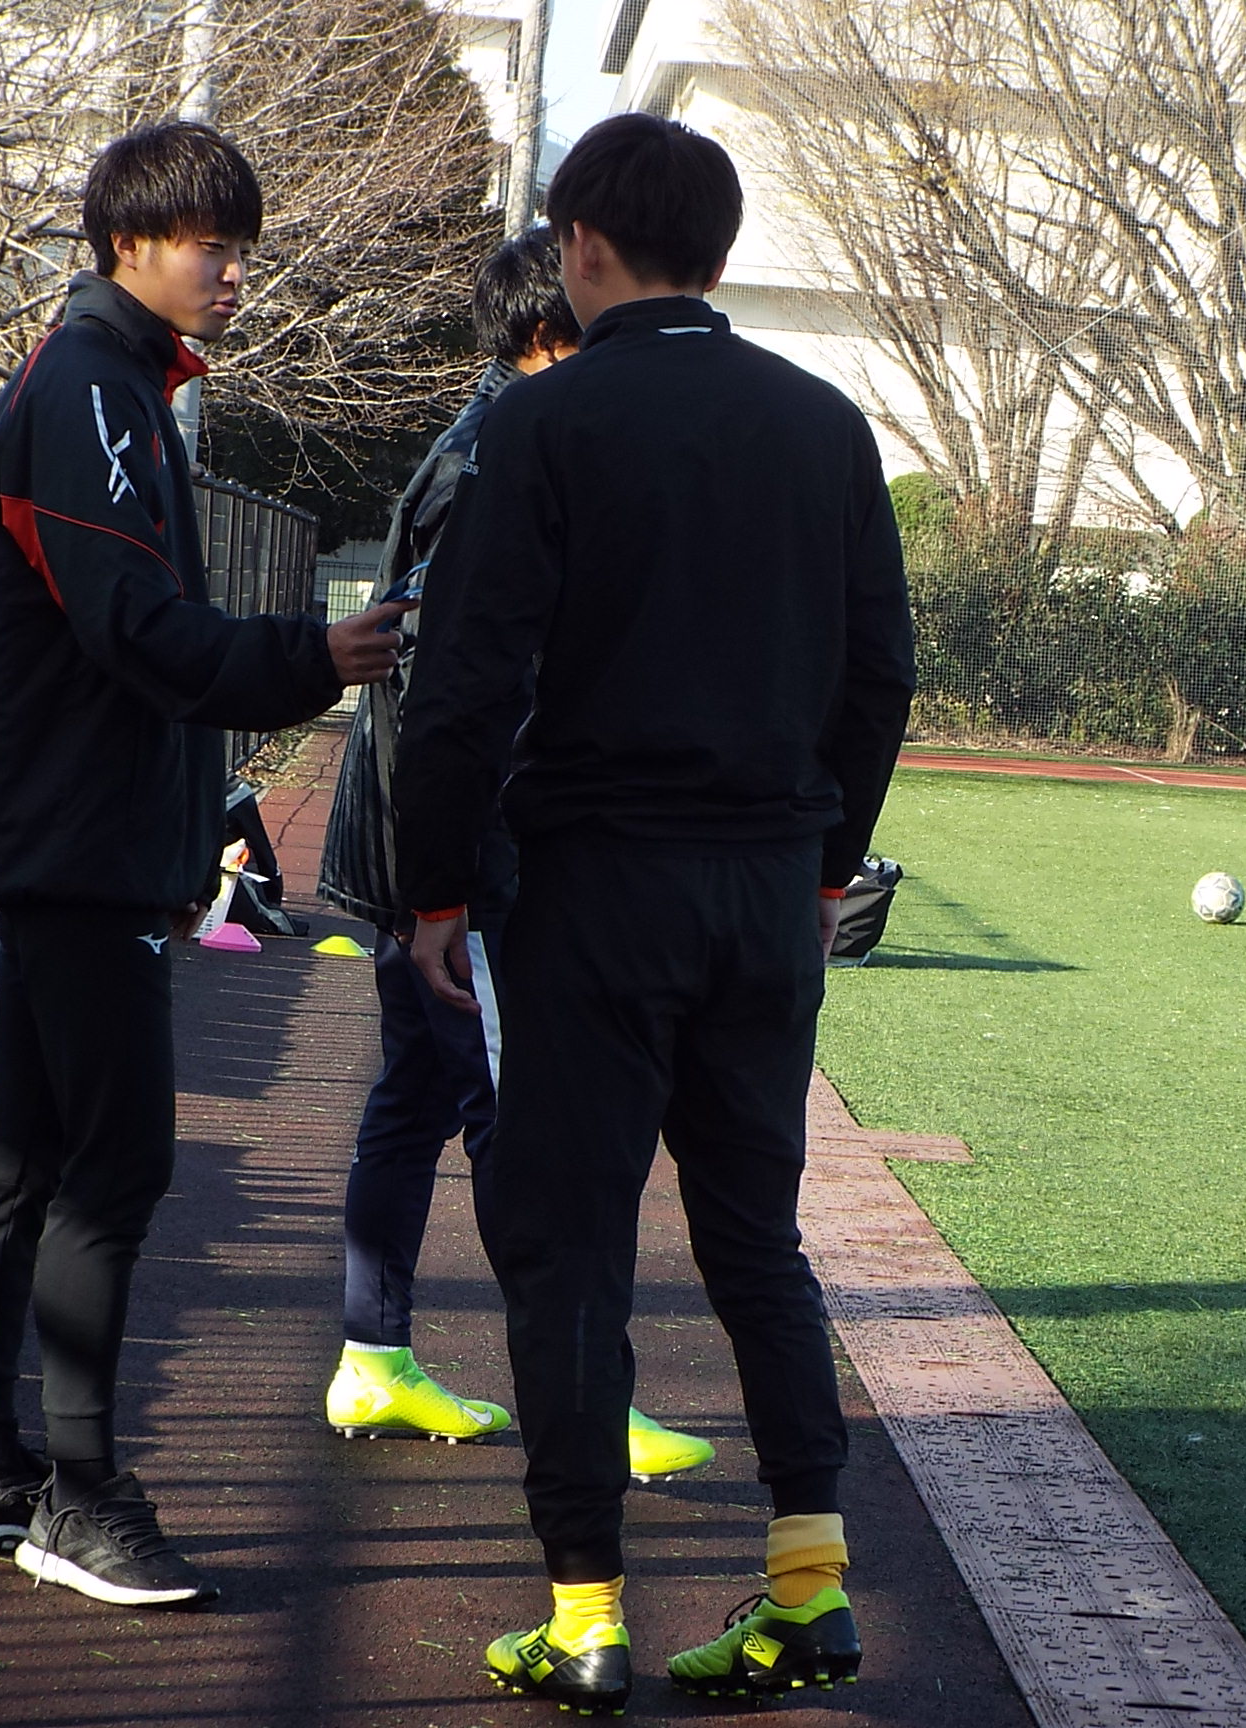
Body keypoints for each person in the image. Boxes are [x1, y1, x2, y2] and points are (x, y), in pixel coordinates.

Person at [392, 114, 914, 1713]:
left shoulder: (545, 423)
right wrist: (826, 869)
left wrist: (433, 888)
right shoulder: (824, 425)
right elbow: (880, 676)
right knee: (758, 1239)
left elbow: (463, 683)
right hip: (766, 891)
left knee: (570, 1251)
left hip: (593, 889)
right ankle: (808, 1590)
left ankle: (585, 1614)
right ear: (721, 250)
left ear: (584, 246)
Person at [0, 121, 410, 1607]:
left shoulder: (116, 380)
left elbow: (126, 634)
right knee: (114, 1163)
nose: (235, 272)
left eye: (243, 247)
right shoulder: (91, 386)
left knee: (24, 1152)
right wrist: (310, 656)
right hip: (77, 840)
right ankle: (78, 1498)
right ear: (129, 242)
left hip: (70, 829)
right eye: (212, 245)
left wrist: (210, 795)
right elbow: (135, 629)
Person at [314, 228, 713, 1481]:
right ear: (551, 333)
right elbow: (447, 679)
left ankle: (374, 1355)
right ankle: (581, 1402)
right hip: (460, 854)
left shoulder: (491, 437)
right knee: (521, 1125)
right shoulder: (502, 449)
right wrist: (456, 871)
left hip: (422, 838)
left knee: (417, 1099)